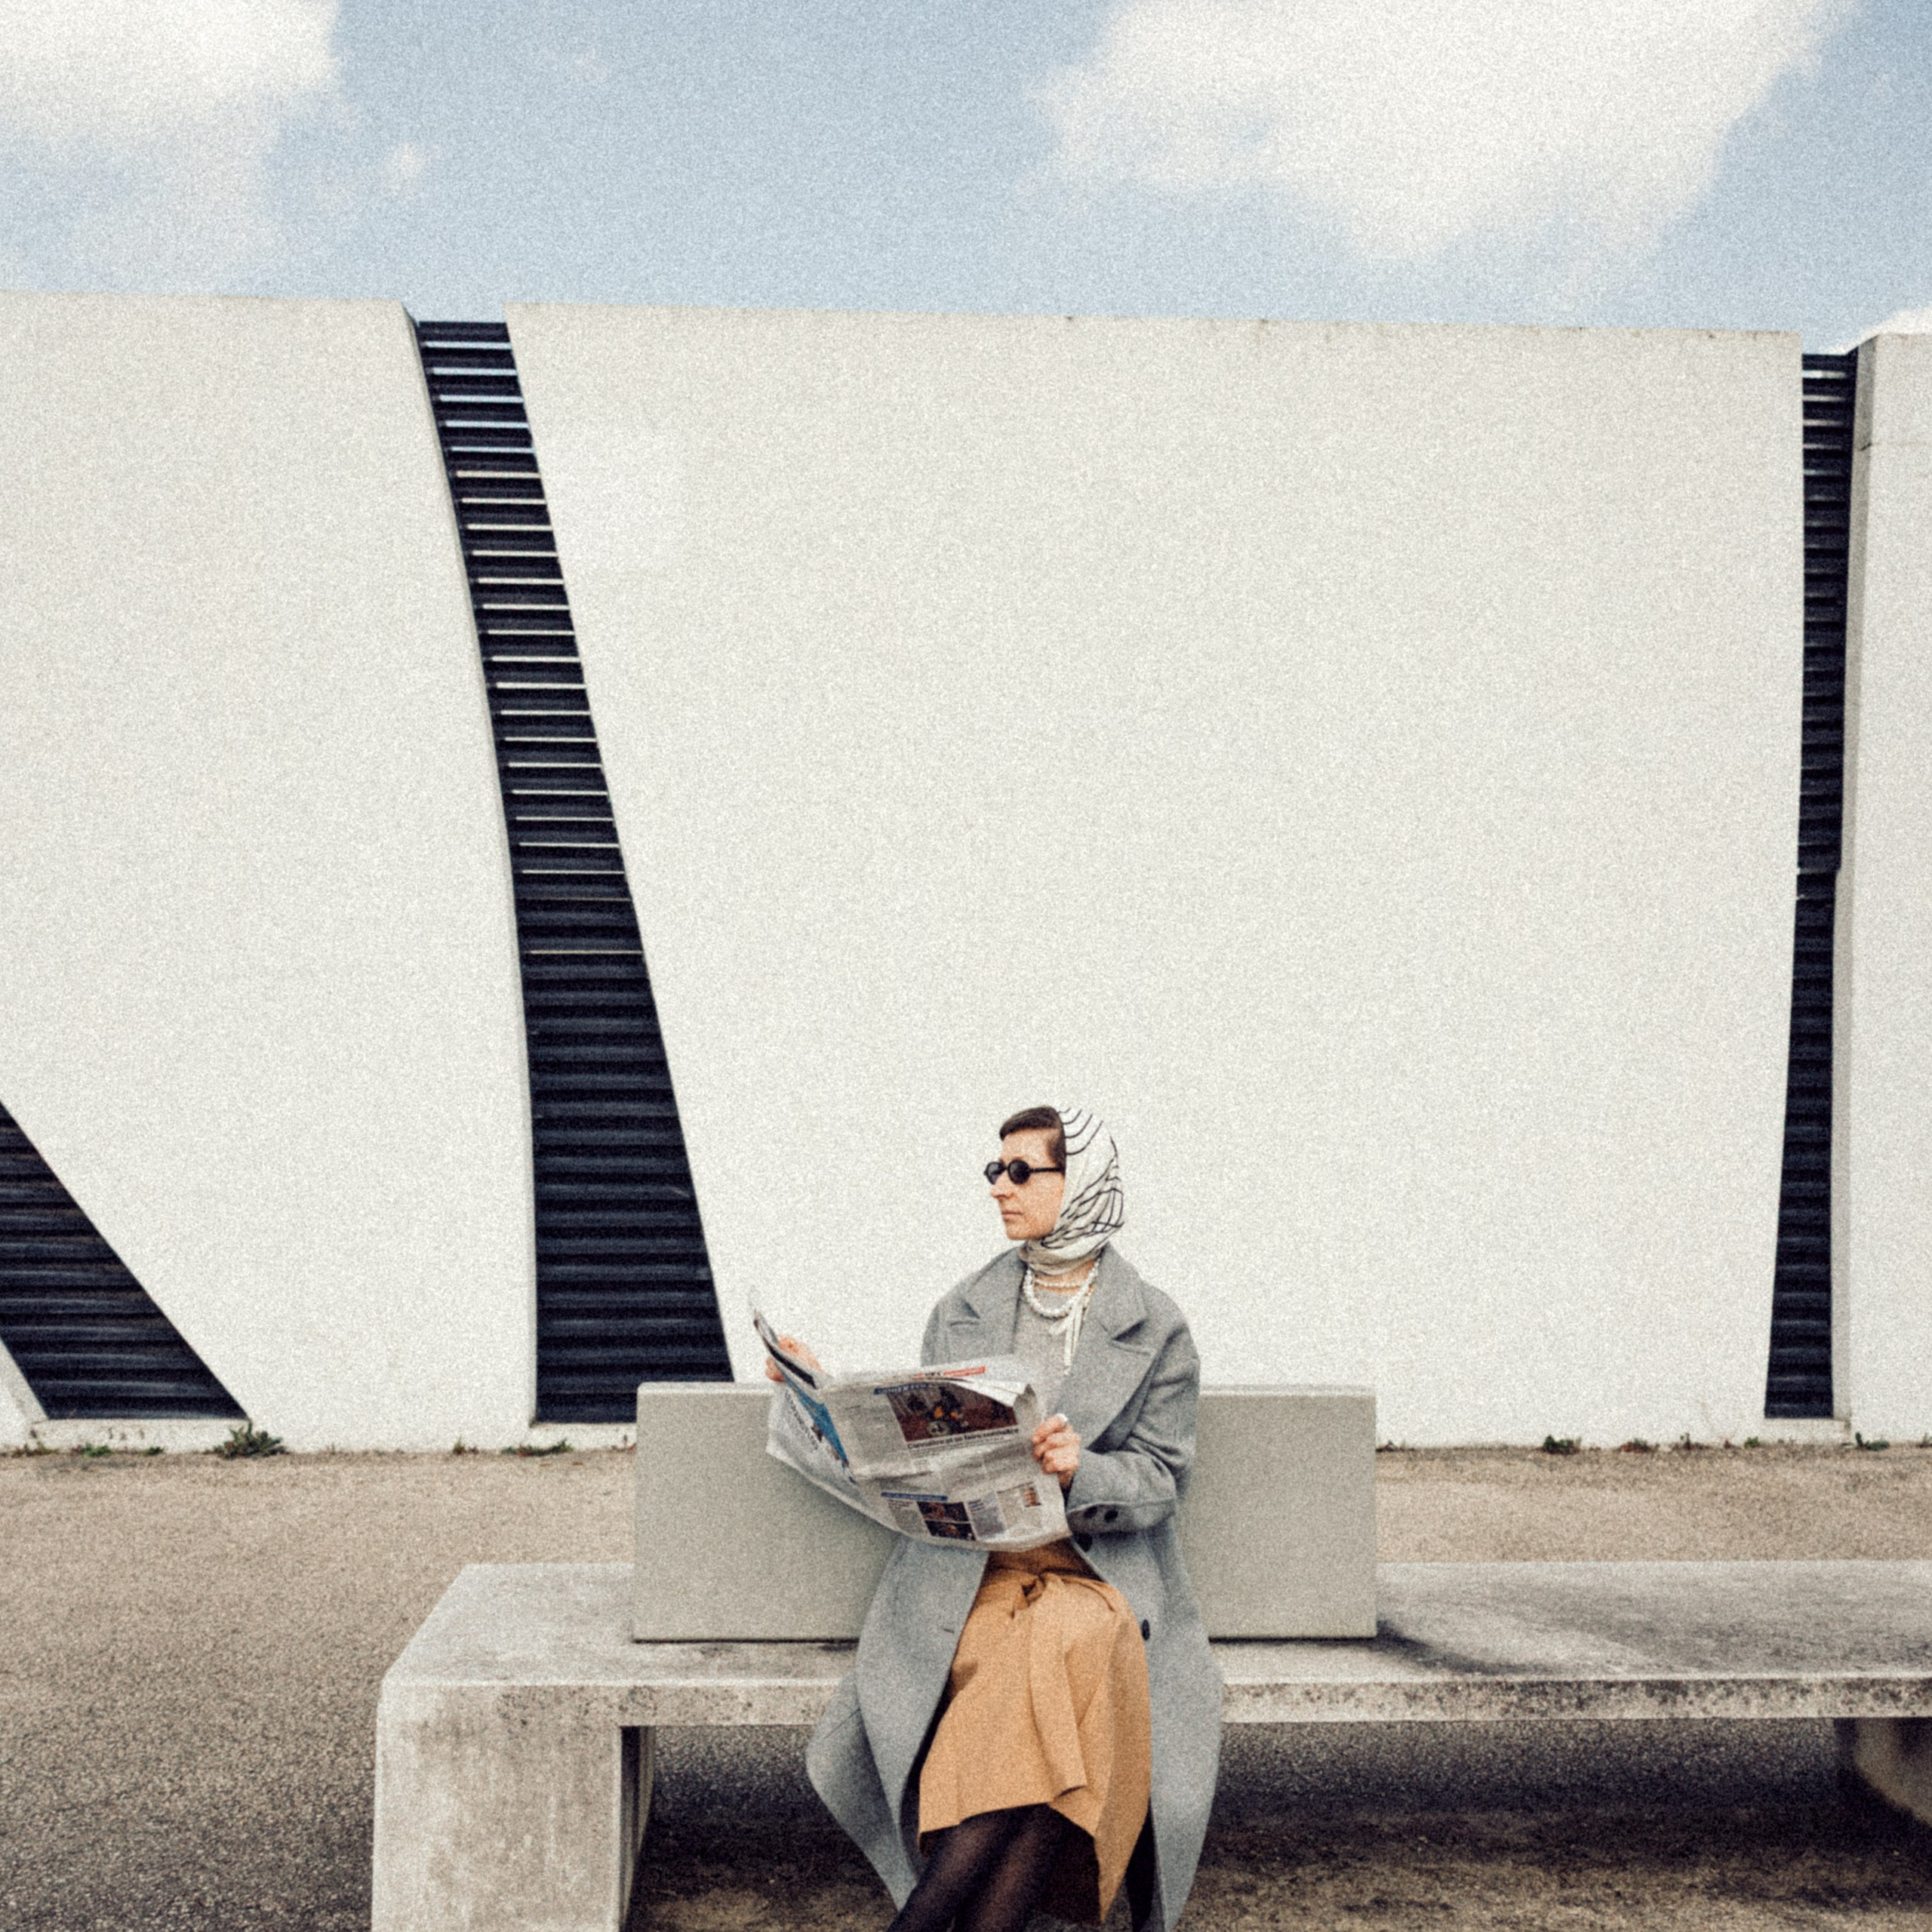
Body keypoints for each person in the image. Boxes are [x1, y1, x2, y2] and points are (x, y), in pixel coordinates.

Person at [777, 1105, 1221, 1932]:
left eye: (1022, 1171)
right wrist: (820, 1392)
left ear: (1080, 1183)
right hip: (973, 1580)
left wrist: (1078, 1468)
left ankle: (925, 1917)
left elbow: (1161, 1480)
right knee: (1036, 1677)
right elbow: (914, 1442)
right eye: (995, 1170)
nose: (1000, 1188)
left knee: (1064, 1642)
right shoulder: (963, 1306)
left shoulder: (1154, 1324)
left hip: (1094, 1578)